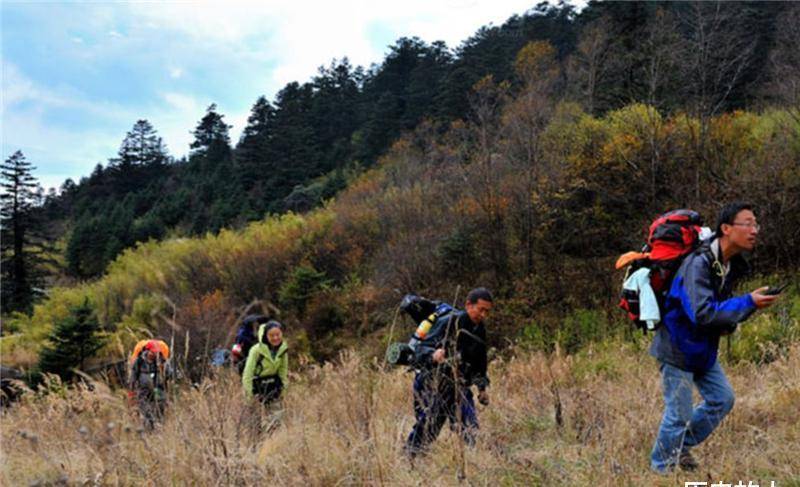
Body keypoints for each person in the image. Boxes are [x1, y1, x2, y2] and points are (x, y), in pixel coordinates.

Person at [649, 202, 779, 473]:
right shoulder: (698, 263)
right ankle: (661, 468)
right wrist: (749, 302)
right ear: (726, 228)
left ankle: (677, 447)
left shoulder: (729, 264)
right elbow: (703, 313)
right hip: (676, 346)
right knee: (679, 414)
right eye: (748, 223)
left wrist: (747, 306)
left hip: (701, 348)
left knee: (722, 399)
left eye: (756, 224)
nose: (754, 230)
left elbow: (718, 311)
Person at [404, 287, 493, 458]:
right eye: (481, 310)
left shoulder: (480, 329)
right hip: (435, 382)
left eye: (487, 311)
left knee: (469, 427)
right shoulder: (450, 322)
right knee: (429, 425)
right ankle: (410, 458)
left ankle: (473, 465)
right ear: (468, 305)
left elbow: (480, 363)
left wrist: (482, 389)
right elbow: (421, 349)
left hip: (459, 384)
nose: (483, 315)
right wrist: (433, 354)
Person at [242, 320, 288, 405]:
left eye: (278, 334)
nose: (275, 338)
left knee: (276, 416)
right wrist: (249, 399)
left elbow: (283, 372)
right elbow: (247, 375)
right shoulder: (256, 350)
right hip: (258, 389)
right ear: (265, 336)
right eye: (271, 335)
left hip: (274, 389)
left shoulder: (283, 349)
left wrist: (283, 393)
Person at [128, 340, 171, 430]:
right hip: (143, 390)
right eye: (153, 352)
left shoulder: (161, 360)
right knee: (145, 409)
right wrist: (131, 390)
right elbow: (133, 375)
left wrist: (164, 366)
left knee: (160, 406)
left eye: (156, 352)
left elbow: (169, 374)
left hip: (158, 388)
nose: (154, 354)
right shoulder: (139, 361)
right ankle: (150, 427)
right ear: (147, 351)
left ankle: (159, 427)